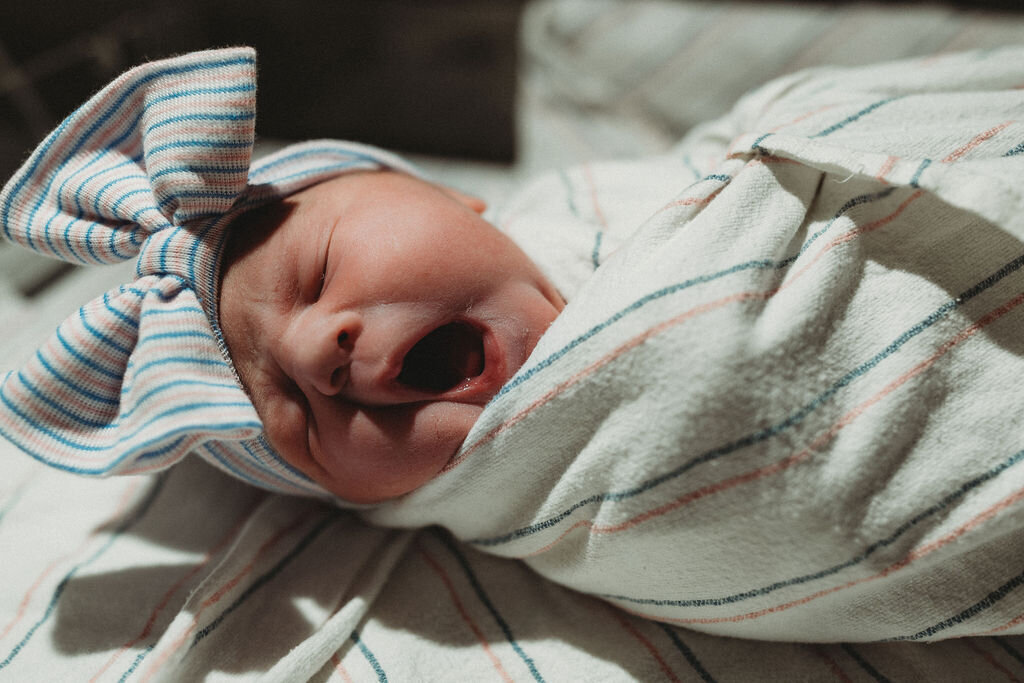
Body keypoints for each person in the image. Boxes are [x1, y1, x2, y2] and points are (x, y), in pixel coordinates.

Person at [0, 47, 562, 504]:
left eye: (318, 276)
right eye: (294, 412)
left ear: (449, 197)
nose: (312, 353)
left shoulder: (590, 208)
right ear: (356, 499)